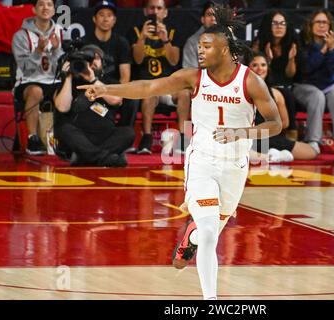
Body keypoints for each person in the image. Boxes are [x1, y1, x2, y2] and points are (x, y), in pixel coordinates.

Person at [78, 5, 282, 299]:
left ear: (224, 50)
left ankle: (192, 235)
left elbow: (276, 124)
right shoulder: (193, 77)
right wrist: (106, 88)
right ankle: (210, 301)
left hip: (235, 166)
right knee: (211, 234)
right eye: (199, 46)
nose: (200, 51)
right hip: (202, 161)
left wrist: (242, 133)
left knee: (209, 231)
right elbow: (148, 87)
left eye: (207, 46)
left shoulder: (250, 80)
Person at [54, 44, 135, 167]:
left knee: (128, 133)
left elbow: (116, 100)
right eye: (88, 59)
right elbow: (62, 107)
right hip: (80, 136)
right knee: (64, 129)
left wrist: (92, 80)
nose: (92, 62)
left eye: (96, 58)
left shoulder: (109, 82)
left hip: (106, 136)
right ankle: (105, 158)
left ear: (103, 63)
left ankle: (84, 157)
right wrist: (69, 77)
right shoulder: (70, 83)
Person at [128, 0, 190, 154]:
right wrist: (142, 38)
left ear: (165, 12)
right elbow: (137, 59)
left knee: (184, 93)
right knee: (150, 93)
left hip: (170, 85)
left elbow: (174, 60)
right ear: (145, 11)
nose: (155, 11)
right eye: (151, 8)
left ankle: (182, 138)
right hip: (148, 85)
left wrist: (165, 40)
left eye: (159, 8)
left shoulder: (174, 32)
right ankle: (147, 138)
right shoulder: (135, 31)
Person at [293, 9, 334, 155]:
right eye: (318, 22)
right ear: (311, 24)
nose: (322, 25)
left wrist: (332, 49)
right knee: (317, 95)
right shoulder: (301, 41)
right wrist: (324, 50)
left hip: (329, 85)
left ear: (330, 25)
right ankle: (313, 141)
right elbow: (305, 68)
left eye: (325, 22)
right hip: (304, 85)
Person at [12, 0, 63, 155]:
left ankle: (64, 138)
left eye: (49, 4)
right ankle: (32, 139)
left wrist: (55, 50)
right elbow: (25, 69)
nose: (45, 7)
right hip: (28, 82)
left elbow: (60, 68)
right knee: (36, 92)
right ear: (34, 9)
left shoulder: (59, 32)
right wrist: (38, 51)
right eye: (41, 4)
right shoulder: (21, 35)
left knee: (66, 93)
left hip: (53, 81)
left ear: (54, 10)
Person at [246, 51, 318, 162]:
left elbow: (285, 123)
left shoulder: (276, 93)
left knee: (310, 152)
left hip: (271, 137)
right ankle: (270, 156)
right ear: (248, 69)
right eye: (255, 65)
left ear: (268, 68)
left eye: (263, 65)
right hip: (250, 137)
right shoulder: (241, 91)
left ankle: (273, 155)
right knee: (235, 151)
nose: (259, 68)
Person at [83, 1, 134, 127]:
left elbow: (125, 75)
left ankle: (123, 133)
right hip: (92, 85)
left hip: (114, 87)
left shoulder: (121, 42)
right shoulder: (85, 43)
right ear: (94, 19)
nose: (105, 19)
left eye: (109, 15)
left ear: (114, 20)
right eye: (101, 14)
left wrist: (120, 94)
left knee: (133, 99)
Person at [252, 9, 298, 140]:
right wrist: (269, 60)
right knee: (284, 94)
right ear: (268, 25)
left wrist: (291, 59)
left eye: (282, 23)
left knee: (287, 93)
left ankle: (290, 133)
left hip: (287, 83)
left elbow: (290, 74)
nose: (279, 26)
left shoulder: (292, 43)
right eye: (275, 23)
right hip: (266, 83)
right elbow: (258, 72)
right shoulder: (258, 43)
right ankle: (290, 132)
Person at [182, 1, 216, 69]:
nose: (213, 19)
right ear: (202, 19)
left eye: (216, 15)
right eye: (209, 15)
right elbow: (189, 73)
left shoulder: (230, 38)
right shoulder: (192, 42)